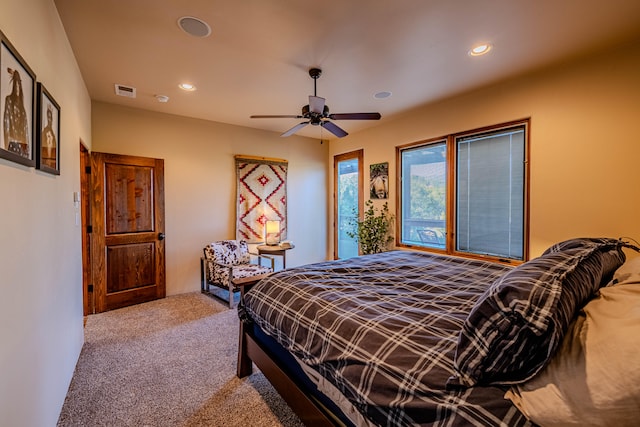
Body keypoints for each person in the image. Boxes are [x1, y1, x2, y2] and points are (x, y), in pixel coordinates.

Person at [3, 67, 29, 157]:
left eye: (19, 85)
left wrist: (27, 153)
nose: (17, 87)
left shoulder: (23, 110)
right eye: (16, 84)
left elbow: (26, 133)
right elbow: (6, 125)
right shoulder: (9, 100)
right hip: (12, 145)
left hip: (22, 149)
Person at [41, 104, 57, 168]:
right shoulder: (44, 131)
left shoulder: (53, 134)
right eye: (48, 117)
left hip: (52, 162)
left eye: (51, 117)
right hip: (45, 161)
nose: (50, 119)